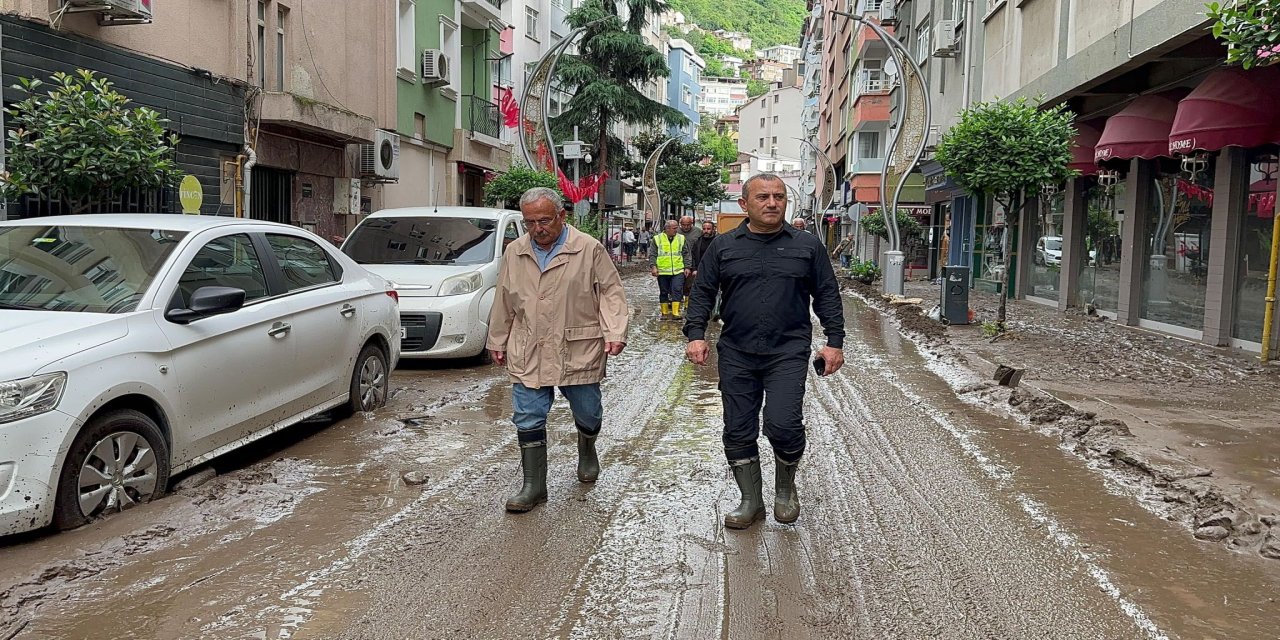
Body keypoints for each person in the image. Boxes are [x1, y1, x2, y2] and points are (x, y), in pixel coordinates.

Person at [684, 173, 846, 530]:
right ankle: (751, 500)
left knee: (783, 423)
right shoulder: (724, 246)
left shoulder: (807, 245)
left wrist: (835, 341)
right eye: (763, 197)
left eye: (779, 196)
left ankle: (785, 490)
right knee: (737, 427)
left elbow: (828, 295)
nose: (772, 203)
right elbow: (702, 294)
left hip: (787, 350)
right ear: (744, 204)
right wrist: (696, 334)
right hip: (737, 350)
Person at [486, 187, 629, 513]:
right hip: (529, 346)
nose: (538, 228)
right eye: (530, 222)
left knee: (588, 412)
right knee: (527, 415)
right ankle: (534, 486)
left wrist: (615, 331)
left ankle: (587, 446)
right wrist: (497, 339)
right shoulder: (516, 251)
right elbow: (504, 298)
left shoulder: (588, 249)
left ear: (562, 216)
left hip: (577, 345)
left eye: (545, 220)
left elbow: (611, 292)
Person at [650, 219, 691, 318]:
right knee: (664, 291)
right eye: (674, 228)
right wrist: (653, 267)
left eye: (677, 228)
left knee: (677, 289)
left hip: (678, 270)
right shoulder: (657, 239)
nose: (676, 230)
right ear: (667, 228)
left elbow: (686, 254)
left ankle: (675, 312)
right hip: (663, 271)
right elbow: (653, 254)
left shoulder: (681, 238)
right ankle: (664, 313)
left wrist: (687, 267)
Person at [679, 216, 702, 303]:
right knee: (678, 284)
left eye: (688, 225)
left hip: (693, 262)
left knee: (690, 284)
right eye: (683, 225)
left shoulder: (698, 232)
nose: (686, 227)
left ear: (691, 224)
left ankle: (688, 302)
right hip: (679, 262)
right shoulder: (676, 232)